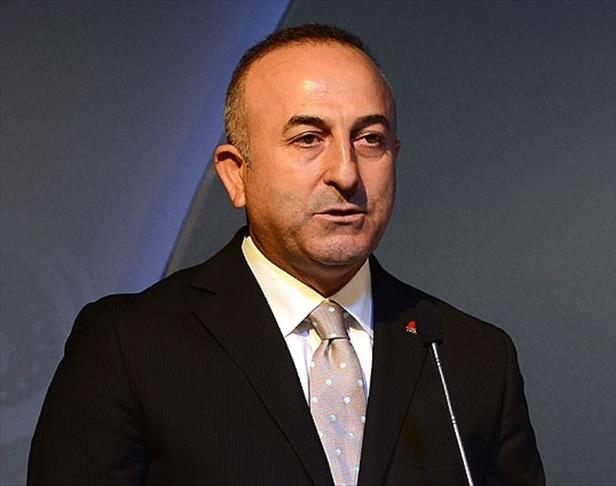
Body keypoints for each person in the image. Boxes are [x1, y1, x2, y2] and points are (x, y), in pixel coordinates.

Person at [28, 24, 545, 485]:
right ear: (236, 174)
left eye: (369, 139)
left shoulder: (470, 356)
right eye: (308, 138)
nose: (346, 172)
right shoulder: (129, 346)